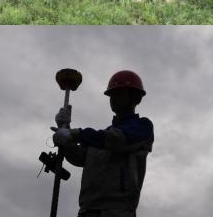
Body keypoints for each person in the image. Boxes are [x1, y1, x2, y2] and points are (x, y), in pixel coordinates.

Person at [52, 70, 154, 217]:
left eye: (119, 94)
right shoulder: (100, 137)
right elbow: (79, 157)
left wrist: (74, 134)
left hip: (117, 212)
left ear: (135, 97)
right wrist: (64, 128)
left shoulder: (142, 127)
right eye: (112, 95)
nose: (113, 99)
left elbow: (118, 140)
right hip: (86, 211)